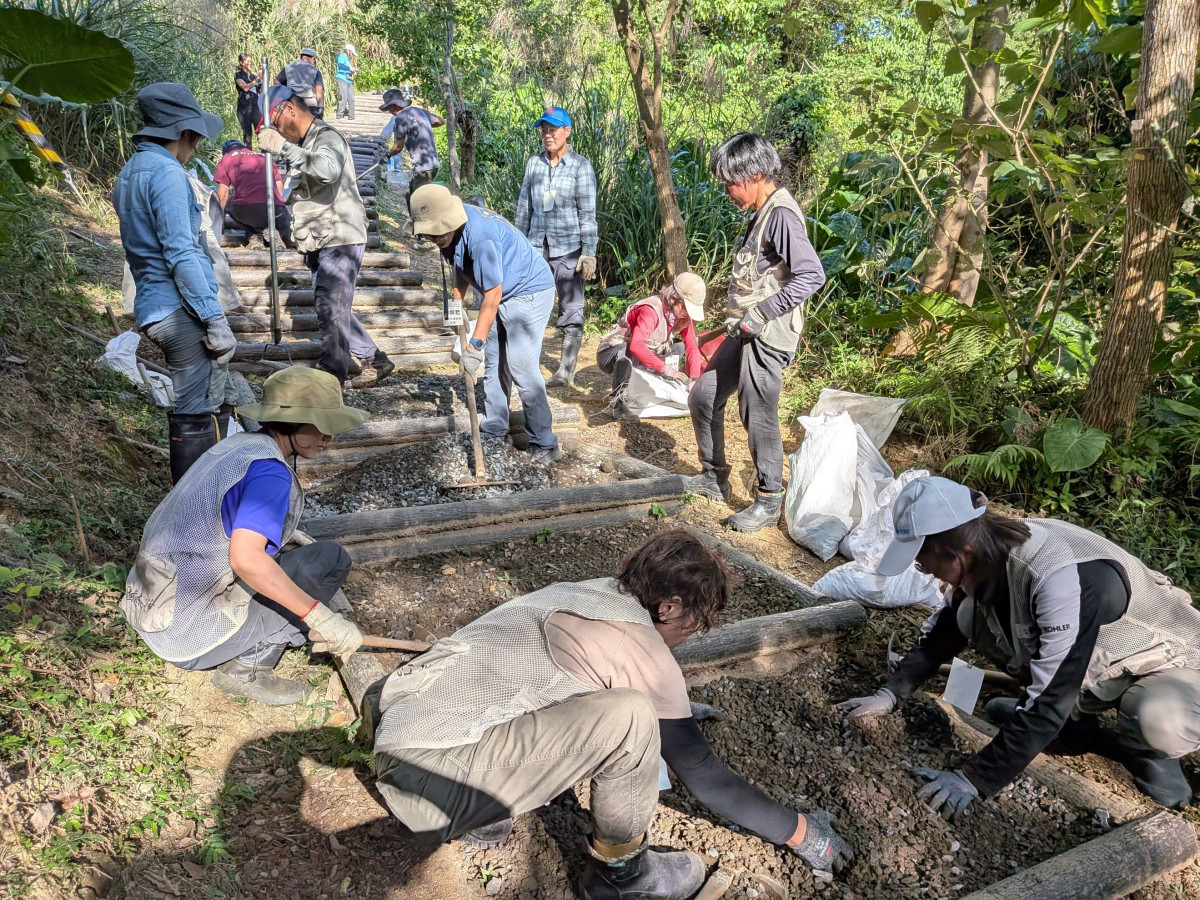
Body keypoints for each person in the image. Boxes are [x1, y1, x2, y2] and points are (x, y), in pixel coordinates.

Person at [374, 529, 853, 898]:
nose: (693, 633)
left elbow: (578, 676)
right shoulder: (639, 646)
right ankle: (621, 877)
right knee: (631, 716)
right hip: (427, 784)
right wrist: (806, 836)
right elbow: (704, 775)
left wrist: (680, 708)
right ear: (668, 607)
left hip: (404, 720)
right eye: (696, 621)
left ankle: (485, 817)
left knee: (626, 709)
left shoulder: (587, 592)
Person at [837, 475, 1200, 814]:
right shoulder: (987, 552)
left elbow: (1051, 695)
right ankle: (1074, 728)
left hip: (1168, 659)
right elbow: (944, 632)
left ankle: (1149, 752)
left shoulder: (1059, 576)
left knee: (1153, 716)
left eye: (923, 563)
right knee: (967, 617)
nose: (927, 572)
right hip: (1094, 659)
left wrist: (974, 779)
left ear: (956, 553)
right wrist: (890, 693)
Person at [121, 366, 367, 706]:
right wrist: (320, 617)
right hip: (190, 636)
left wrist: (282, 536)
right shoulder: (271, 475)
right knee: (329, 558)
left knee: (290, 558)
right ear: (292, 423)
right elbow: (245, 559)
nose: (329, 438)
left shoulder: (239, 445)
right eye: (323, 426)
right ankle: (246, 667)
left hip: (152, 608)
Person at [684, 133, 826, 532]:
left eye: (731, 182)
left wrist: (762, 312)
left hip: (768, 333)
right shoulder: (761, 213)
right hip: (747, 329)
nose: (727, 191)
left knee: (757, 411)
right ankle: (714, 476)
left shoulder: (780, 215)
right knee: (704, 394)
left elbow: (812, 274)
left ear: (756, 174)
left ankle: (767, 499)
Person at [112, 83, 238, 483]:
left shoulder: (129, 172)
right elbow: (181, 252)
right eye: (197, 136)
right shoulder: (167, 174)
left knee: (196, 404)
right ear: (184, 133)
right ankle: (193, 512)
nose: (198, 145)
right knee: (195, 409)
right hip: (177, 306)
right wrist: (214, 318)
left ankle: (199, 503)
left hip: (151, 304)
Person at [409, 184, 561, 463]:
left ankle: (545, 443)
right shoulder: (449, 233)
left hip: (528, 291)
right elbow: (460, 267)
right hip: (500, 292)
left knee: (520, 366)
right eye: (430, 233)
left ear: (451, 218)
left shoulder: (480, 237)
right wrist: (457, 307)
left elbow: (493, 294)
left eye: (440, 231)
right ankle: (494, 428)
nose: (436, 237)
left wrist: (474, 344)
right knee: (494, 362)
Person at [258, 86, 394, 385]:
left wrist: (282, 147)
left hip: (340, 235)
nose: (279, 133)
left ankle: (333, 374)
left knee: (330, 304)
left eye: (277, 124)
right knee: (333, 304)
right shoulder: (307, 143)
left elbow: (327, 170)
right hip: (322, 237)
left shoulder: (326, 137)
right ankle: (375, 358)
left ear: (289, 110)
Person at [514, 106, 599, 388]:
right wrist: (518, 243)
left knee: (571, 310)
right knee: (529, 307)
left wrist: (589, 253)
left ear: (567, 131)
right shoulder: (534, 164)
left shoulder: (580, 167)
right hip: (536, 248)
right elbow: (524, 207)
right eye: (543, 129)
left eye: (553, 129)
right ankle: (525, 366)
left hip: (569, 250)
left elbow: (587, 214)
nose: (547, 135)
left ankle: (565, 371)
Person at [597, 273, 706, 416]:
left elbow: (692, 347)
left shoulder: (683, 316)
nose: (688, 314)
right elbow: (636, 345)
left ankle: (645, 385)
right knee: (625, 353)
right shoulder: (651, 310)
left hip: (644, 356)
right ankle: (618, 400)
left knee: (678, 347)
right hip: (612, 353)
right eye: (686, 308)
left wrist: (694, 379)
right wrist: (667, 370)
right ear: (673, 299)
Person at [214, 140, 295, 249]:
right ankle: (275, 231)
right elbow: (281, 194)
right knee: (290, 238)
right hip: (275, 209)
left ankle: (254, 236)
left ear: (226, 151)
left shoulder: (227, 158)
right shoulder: (265, 157)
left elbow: (222, 195)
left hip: (248, 210)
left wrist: (220, 223)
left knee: (228, 204)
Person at [380, 87, 444, 203]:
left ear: (394, 106)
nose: (389, 111)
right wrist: (422, 123)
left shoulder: (400, 118)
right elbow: (440, 121)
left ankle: (421, 221)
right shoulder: (419, 112)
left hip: (423, 167)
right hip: (433, 164)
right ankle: (415, 220)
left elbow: (398, 147)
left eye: (389, 108)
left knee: (418, 201)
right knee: (411, 194)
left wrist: (387, 156)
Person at [275, 47, 324, 119]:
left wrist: (283, 95)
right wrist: (320, 109)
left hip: (292, 102)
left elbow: (276, 82)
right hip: (309, 104)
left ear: (301, 57)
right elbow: (319, 90)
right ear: (313, 58)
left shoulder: (288, 68)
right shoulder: (315, 70)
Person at [234, 54, 260, 146]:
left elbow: (259, 90)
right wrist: (257, 79)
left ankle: (265, 155)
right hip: (244, 108)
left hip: (255, 107)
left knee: (261, 130)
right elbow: (245, 88)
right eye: (247, 61)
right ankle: (248, 155)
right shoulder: (238, 75)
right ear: (241, 63)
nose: (250, 63)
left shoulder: (253, 76)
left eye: (251, 61)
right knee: (247, 134)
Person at [335, 43, 357, 120]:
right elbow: (341, 65)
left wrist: (353, 71)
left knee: (351, 98)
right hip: (342, 79)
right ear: (348, 51)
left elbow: (347, 68)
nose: (352, 55)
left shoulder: (348, 59)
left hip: (348, 80)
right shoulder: (342, 56)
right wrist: (349, 68)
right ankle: (339, 115)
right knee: (344, 97)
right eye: (352, 53)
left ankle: (351, 116)